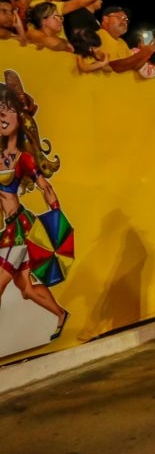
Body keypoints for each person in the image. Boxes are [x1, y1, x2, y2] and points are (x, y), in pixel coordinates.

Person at [0, 74, 69, 341]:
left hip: (20, 227)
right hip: (9, 227)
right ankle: (61, 314)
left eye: (6, 112)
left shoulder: (23, 158)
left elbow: (45, 187)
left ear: (20, 119)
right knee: (27, 288)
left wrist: (57, 217)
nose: (2, 117)